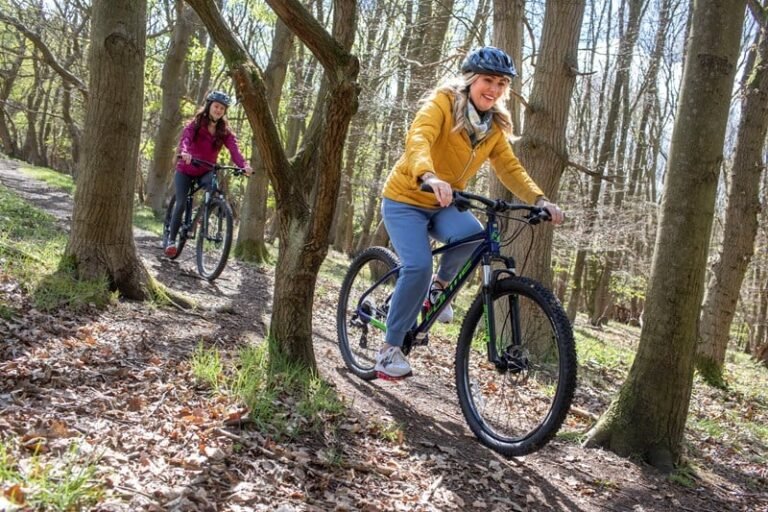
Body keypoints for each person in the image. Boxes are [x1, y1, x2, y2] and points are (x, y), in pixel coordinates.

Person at [375, 46, 565, 380]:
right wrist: (428, 175)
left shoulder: (493, 128)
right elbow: (419, 137)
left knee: (473, 235)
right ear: (470, 80)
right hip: (407, 198)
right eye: (487, 80)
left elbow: (509, 167)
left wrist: (539, 199)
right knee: (418, 265)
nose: (494, 89)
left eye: (502, 84)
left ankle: (438, 289)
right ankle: (388, 351)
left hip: (445, 202)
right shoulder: (443, 104)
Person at [164, 90, 252, 258]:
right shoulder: (195, 123)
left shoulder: (225, 131)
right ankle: (171, 241)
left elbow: (235, 151)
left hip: (205, 169)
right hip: (186, 169)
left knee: (214, 188)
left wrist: (244, 166)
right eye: (216, 106)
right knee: (181, 202)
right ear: (209, 106)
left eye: (222, 109)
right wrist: (185, 153)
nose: (218, 110)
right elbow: (186, 140)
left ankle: (204, 218)